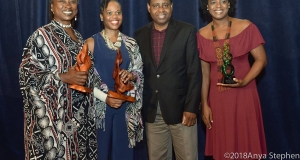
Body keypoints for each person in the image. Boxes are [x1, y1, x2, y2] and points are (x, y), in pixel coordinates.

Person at [19, 0, 97, 159]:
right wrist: (62, 77)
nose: (68, 5)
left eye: (73, 1)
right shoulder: (41, 36)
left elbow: (91, 77)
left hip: (77, 126)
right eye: (62, 1)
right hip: (51, 128)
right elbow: (26, 75)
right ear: (51, 6)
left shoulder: (80, 39)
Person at [197, 0, 267, 159]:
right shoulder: (201, 35)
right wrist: (205, 105)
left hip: (245, 94)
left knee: (246, 143)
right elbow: (204, 74)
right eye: (213, 2)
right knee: (224, 146)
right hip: (217, 100)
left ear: (230, 4)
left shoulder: (247, 27)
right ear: (207, 7)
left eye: (223, 1)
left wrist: (244, 81)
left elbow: (262, 59)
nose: (218, 6)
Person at [134, 0, 202, 159]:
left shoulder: (187, 31)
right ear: (148, 8)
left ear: (171, 7)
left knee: (187, 156)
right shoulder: (139, 35)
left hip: (182, 111)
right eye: (156, 5)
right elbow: (138, 71)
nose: (161, 9)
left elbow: (194, 72)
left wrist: (191, 107)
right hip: (152, 110)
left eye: (165, 4)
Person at [85, 0, 144, 159]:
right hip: (99, 112)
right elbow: (82, 81)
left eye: (118, 12)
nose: (114, 16)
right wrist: (106, 98)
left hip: (125, 110)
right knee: (99, 155)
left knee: (124, 155)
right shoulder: (91, 43)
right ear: (101, 16)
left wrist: (131, 75)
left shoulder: (131, 44)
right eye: (109, 13)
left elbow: (139, 73)